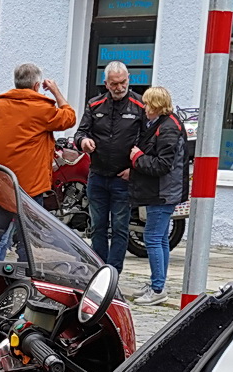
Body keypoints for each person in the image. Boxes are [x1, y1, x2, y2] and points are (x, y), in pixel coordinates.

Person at [0, 63, 74, 261]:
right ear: (37, 85)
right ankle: (24, 279)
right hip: (31, 186)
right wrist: (56, 91)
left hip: (2, 182)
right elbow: (69, 118)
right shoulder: (42, 108)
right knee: (26, 238)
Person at [77, 61, 144, 271]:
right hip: (97, 175)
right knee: (97, 226)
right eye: (114, 84)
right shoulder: (94, 104)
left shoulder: (140, 105)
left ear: (129, 79)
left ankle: (114, 272)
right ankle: (98, 270)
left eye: (123, 82)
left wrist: (135, 168)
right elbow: (81, 133)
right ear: (106, 83)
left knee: (120, 228)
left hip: (123, 177)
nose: (119, 87)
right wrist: (83, 142)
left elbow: (148, 141)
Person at [127, 85, 187, 306]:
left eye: (147, 104)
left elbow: (162, 165)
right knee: (160, 239)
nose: (144, 109)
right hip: (162, 191)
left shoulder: (168, 129)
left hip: (163, 192)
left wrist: (137, 158)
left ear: (157, 106)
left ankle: (158, 289)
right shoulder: (163, 123)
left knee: (152, 238)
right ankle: (156, 282)